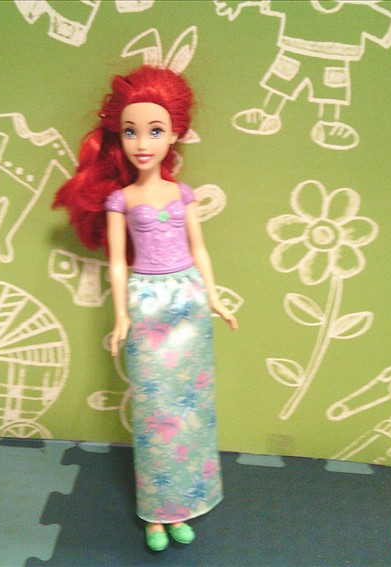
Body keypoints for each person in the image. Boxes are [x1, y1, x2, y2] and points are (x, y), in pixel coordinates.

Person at [53, 65, 238, 552]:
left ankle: (186, 505)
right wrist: (121, 316)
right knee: (156, 412)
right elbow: (117, 263)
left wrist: (215, 296)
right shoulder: (121, 199)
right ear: (119, 136)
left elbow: (200, 250)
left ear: (174, 134)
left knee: (192, 409)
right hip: (147, 303)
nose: (142, 142)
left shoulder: (182, 194)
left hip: (188, 301)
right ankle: (156, 514)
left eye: (155, 131)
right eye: (131, 131)